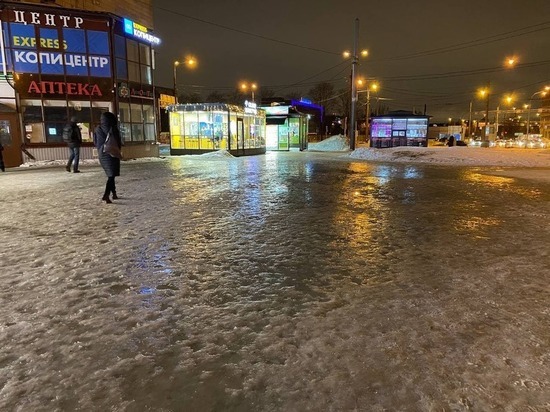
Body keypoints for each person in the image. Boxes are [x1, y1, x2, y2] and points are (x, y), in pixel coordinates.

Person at [93, 112, 122, 204]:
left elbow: (95, 141)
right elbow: (118, 141)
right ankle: (106, 195)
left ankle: (114, 193)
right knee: (111, 175)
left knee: (111, 175)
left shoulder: (98, 129)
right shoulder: (113, 129)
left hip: (102, 153)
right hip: (112, 152)